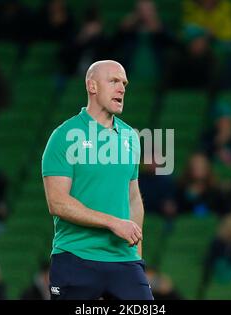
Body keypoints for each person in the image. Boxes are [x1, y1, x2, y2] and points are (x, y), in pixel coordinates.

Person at [42, 60, 153, 300]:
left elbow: (133, 197)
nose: (122, 88)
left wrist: (137, 256)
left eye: (124, 83)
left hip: (125, 261)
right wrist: (113, 222)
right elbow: (57, 202)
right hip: (76, 257)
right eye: (113, 81)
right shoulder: (64, 136)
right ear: (92, 86)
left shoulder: (130, 137)